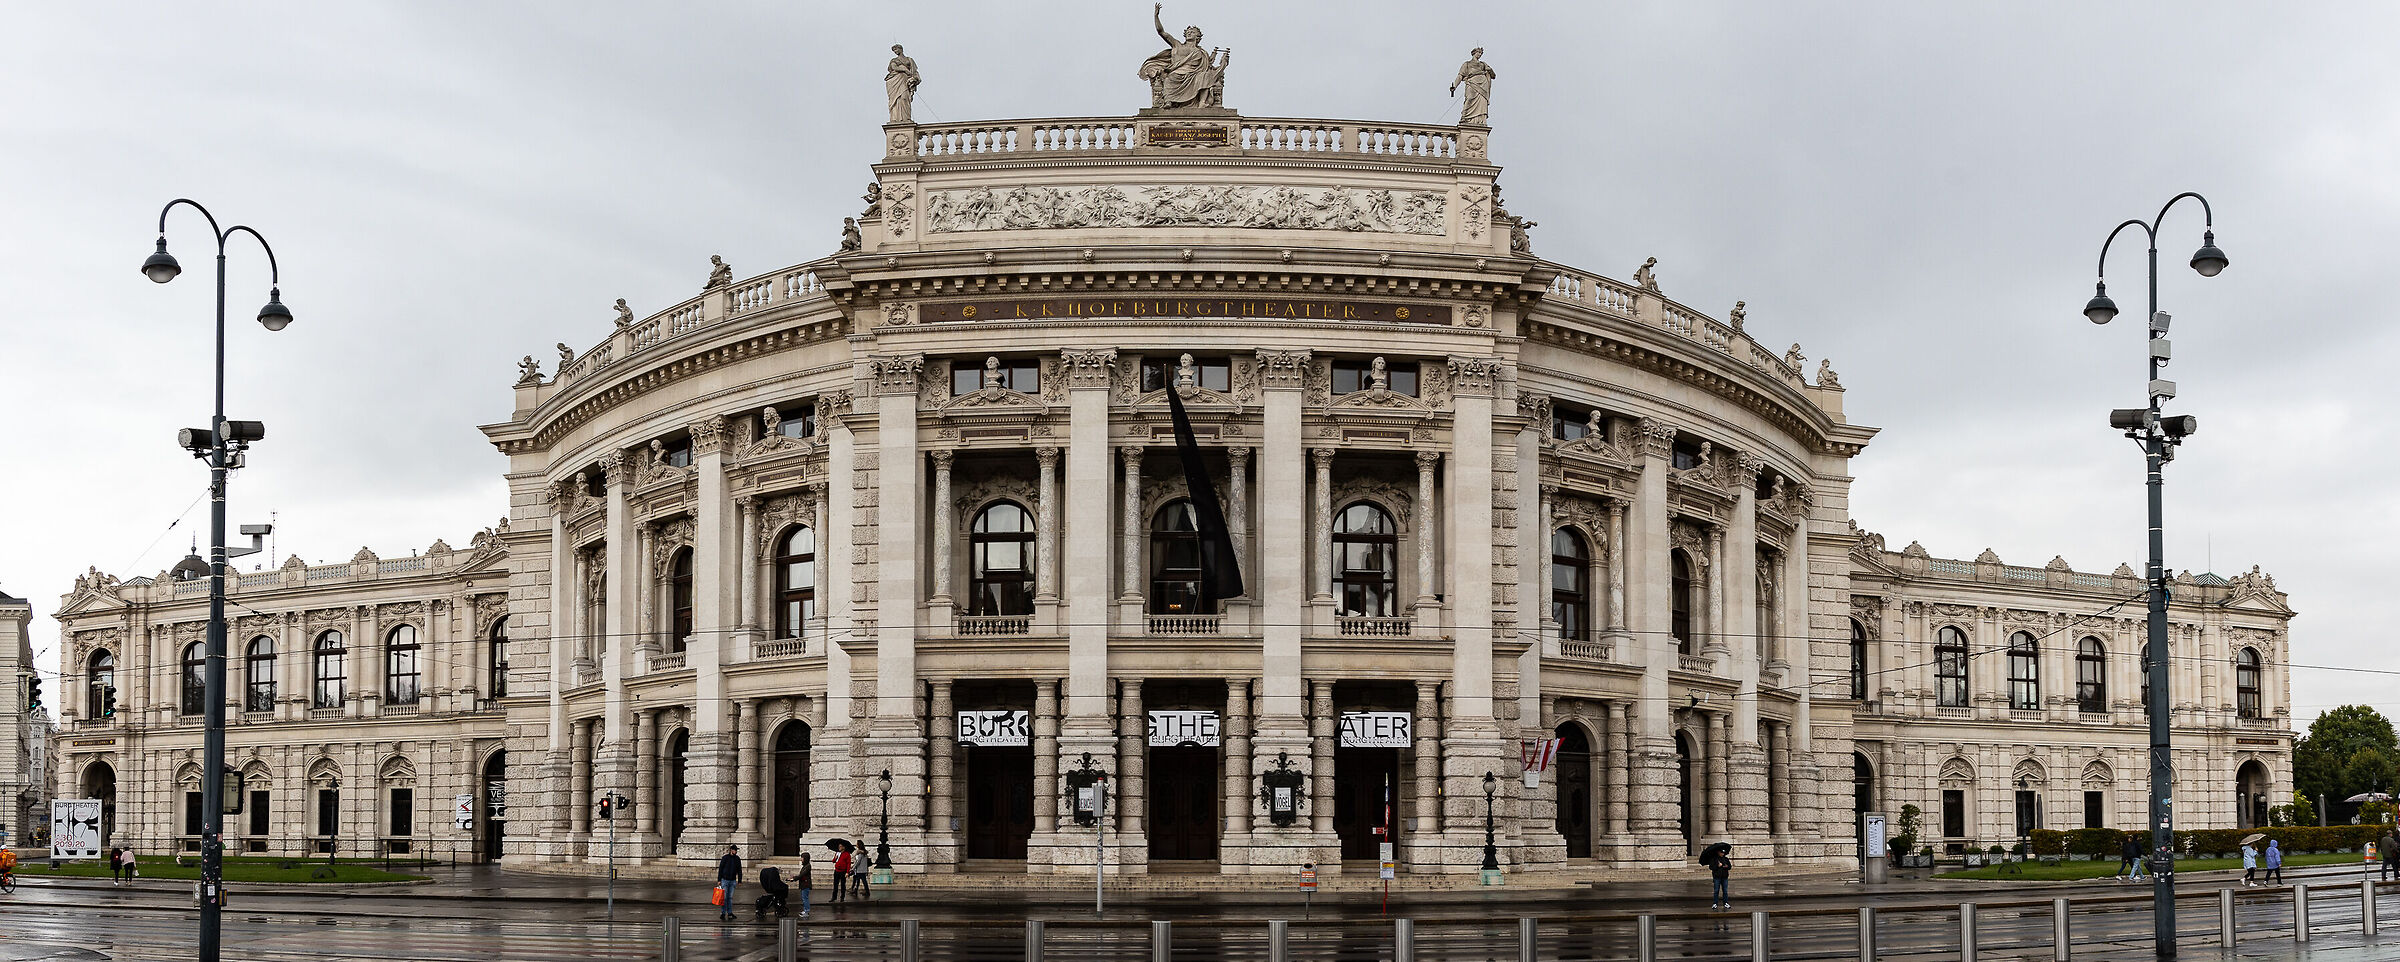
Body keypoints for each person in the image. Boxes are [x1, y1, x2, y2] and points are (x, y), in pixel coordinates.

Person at [1700, 841, 1733, 910]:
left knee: (1725, 891)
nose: (1722, 854)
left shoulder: (1726, 859)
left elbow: (1729, 867)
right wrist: (1718, 866)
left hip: (1724, 877)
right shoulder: (1714, 859)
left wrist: (1725, 866)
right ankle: (1715, 903)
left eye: (1723, 853)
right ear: (1718, 852)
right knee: (1716, 891)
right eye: (1721, 852)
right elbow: (1711, 867)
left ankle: (1726, 903)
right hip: (1717, 877)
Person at [716, 845, 742, 922]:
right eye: (734, 850)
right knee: (724, 897)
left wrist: (739, 880)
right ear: (731, 850)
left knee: (730, 898)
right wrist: (719, 880)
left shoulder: (737, 859)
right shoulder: (725, 858)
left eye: (736, 850)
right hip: (725, 880)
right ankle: (723, 913)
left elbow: (739, 870)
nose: (736, 851)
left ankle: (730, 913)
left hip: (733, 880)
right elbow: (721, 868)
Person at [796, 852, 814, 918]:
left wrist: (795, 878)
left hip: (806, 884)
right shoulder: (805, 866)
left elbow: (802, 875)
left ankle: (806, 911)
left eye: (802, 858)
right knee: (804, 898)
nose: (801, 859)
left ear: (805, 858)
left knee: (805, 898)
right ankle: (805, 910)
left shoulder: (807, 866)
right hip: (804, 884)